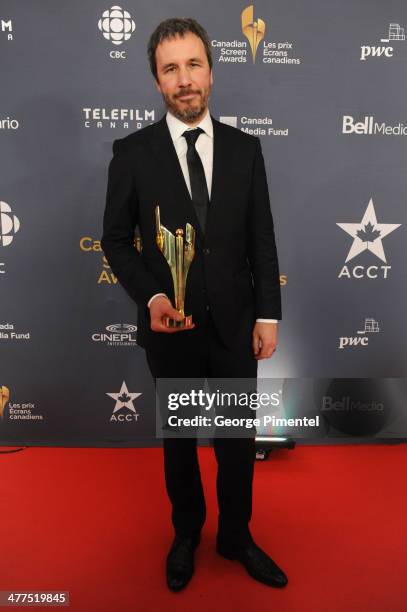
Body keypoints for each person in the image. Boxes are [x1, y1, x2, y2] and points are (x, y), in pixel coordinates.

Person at [101, 17, 287, 591]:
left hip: (235, 328)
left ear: (213, 70)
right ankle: (186, 534)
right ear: (157, 82)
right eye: (170, 69)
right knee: (179, 445)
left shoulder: (245, 149)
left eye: (194, 65)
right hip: (171, 330)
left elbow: (261, 237)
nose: (185, 80)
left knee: (236, 442)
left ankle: (236, 537)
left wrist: (267, 313)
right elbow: (114, 239)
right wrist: (153, 295)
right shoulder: (132, 152)